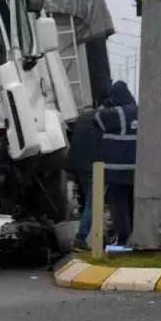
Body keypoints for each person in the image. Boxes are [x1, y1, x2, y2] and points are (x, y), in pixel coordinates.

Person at [94, 80, 139, 245]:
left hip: (117, 169)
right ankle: (136, 236)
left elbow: (97, 119)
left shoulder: (116, 113)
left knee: (119, 206)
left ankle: (124, 239)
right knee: (134, 203)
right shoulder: (140, 111)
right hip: (137, 169)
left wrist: (104, 104)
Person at [65, 96, 106, 251]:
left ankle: (91, 236)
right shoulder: (100, 122)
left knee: (90, 201)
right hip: (91, 168)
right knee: (94, 202)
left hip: (77, 166)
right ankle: (81, 238)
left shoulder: (82, 119)